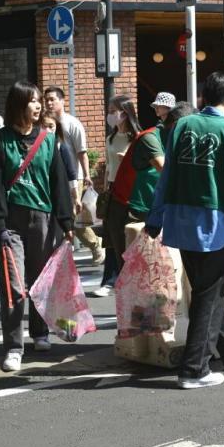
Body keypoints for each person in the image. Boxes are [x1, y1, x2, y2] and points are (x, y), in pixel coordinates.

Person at [146, 72, 224, 389]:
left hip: (180, 222)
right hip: (214, 226)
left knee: (206, 293)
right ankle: (194, 368)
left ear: (203, 98)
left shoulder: (181, 127)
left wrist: (155, 217)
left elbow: (166, 177)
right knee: (209, 298)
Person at [0, 81, 74, 372]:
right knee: (13, 286)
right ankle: (13, 347)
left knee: (40, 281)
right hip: (11, 222)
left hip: (43, 219)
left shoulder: (48, 140)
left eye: (39, 101)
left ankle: (39, 332)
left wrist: (66, 222)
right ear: (18, 105)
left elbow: (59, 183)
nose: (38, 106)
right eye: (32, 101)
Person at [107, 103, 194, 271]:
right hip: (129, 210)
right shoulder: (150, 138)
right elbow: (166, 170)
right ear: (175, 125)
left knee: (155, 270)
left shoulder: (176, 140)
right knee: (132, 271)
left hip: (152, 210)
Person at [43, 86, 103, 264]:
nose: (49, 103)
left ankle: (95, 244)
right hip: (52, 177)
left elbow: (81, 152)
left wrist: (86, 175)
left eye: (52, 99)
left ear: (62, 101)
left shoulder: (72, 123)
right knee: (61, 217)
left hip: (73, 177)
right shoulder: (44, 123)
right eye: (46, 100)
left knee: (72, 217)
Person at [94, 94, 142, 298]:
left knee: (131, 240)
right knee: (113, 239)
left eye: (114, 111)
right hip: (113, 192)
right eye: (109, 111)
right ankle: (117, 284)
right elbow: (108, 167)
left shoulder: (138, 138)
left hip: (131, 193)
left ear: (125, 113)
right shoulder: (111, 139)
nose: (110, 115)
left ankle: (135, 286)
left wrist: (128, 162)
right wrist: (105, 189)